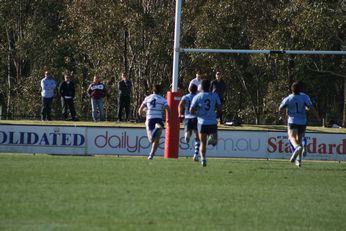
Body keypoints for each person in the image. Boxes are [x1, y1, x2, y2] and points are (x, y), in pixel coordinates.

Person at [279, 81, 320, 167]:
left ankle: (296, 148)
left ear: (291, 90)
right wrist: (317, 117)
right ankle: (299, 161)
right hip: (302, 121)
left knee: (291, 137)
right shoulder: (305, 97)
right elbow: (311, 107)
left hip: (293, 121)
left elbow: (280, 108)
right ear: (300, 89)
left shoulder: (288, 98)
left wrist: (284, 104)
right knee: (299, 140)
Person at [190, 79, 222, 167]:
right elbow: (219, 108)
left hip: (202, 122)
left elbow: (191, 110)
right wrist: (217, 116)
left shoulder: (197, 96)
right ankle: (211, 138)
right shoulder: (215, 95)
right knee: (214, 142)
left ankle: (203, 159)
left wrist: (198, 114)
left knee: (202, 143)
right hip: (212, 121)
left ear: (201, 87)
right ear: (210, 87)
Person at [138, 84, 171, 160]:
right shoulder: (163, 99)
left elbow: (140, 110)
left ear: (153, 90)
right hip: (159, 119)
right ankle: (151, 155)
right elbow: (168, 109)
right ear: (160, 91)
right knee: (157, 139)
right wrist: (168, 119)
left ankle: (151, 155)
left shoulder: (148, 98)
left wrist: (142, 114)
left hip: (150, 119)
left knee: (151, 140)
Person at [178, 84, 200, 161]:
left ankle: (187, 135)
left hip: (187, 117)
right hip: (196, 118)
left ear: (189, 90)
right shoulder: (198, 97)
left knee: (187, 135)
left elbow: (180, 105)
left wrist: (180, 114)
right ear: (196, 90)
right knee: (197, 136)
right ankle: (196, 154)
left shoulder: (185, 97)